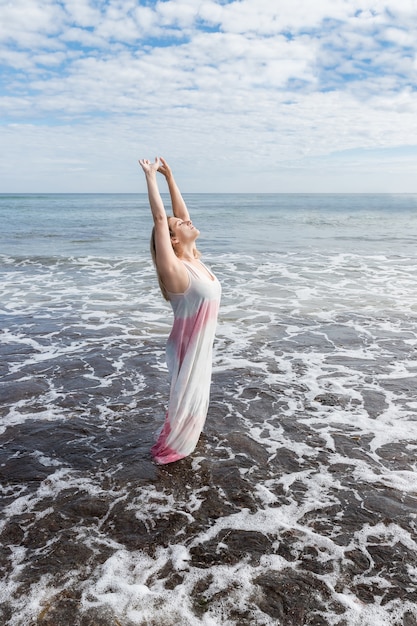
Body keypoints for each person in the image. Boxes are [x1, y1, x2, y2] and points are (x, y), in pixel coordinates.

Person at [138, 156, 221, 464]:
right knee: (184, 409)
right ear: (171, 240)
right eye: (179, 225)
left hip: (201, 347)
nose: (187, 221)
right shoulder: (175, 269)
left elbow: (178, 216)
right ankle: (164, 455)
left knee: (195, 407)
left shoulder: (193, 259)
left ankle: (176, 447)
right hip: (188, 349)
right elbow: (162, 220)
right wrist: (150, 177)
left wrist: (170, 177)